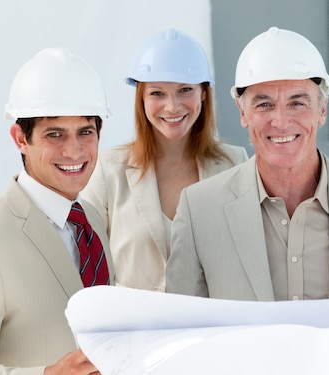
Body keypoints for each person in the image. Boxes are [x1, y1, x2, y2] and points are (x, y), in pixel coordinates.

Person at [166, 26, 329, 301]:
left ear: (322, 109)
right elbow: (183, 331)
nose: (281, 121)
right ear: (242, 111)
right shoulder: (199, 212)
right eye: (264, 105)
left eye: (297, 103)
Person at [82, 28, 248, 292]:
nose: (172, 107)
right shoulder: (108, 170)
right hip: (133, 329)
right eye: (157, 93)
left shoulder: (235, 163)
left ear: (203, 93)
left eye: (185, 90)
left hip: (211, 329)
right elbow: (86, 267)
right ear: (142, 99)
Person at [0, 48, 115, 373]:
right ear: (20, 139)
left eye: (85, 132)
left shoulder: (92, 221)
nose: (73, 151)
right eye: (54, 134)